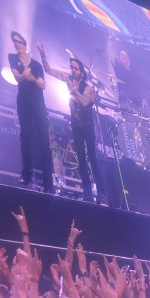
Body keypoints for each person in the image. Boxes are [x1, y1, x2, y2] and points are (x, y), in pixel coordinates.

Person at [37, 44, 105, 204]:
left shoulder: (88, 88)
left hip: (88, 125)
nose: (73, 71)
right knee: (81, 158)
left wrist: (75, 91)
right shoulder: (68, 78)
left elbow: (85, 102)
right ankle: (87, 193)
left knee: (92, 158)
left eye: (75, 68)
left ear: (81, 71)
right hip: (76, 123)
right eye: (71, 68)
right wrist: (43, 53)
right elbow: (48, 70)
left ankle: (102, 193)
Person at [8, 31, 54, 193]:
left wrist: (31, 78)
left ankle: (49, 183)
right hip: (24, 103)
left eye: (19, 42)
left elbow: (43, 85)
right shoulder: (12, 58)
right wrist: (24, 76)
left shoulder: (36, 65)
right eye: (15, 42)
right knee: (26, 136)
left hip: (38, 105)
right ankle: (27, 175)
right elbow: (17, 77)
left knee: (44, 141)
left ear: (25, 44)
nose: (17, 44)